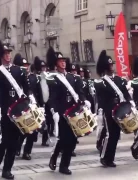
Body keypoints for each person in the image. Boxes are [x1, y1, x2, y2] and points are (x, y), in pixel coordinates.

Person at [0, 37, 30, 179]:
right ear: (1, 55)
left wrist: (32, 101)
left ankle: (7, 169)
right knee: (4, 141)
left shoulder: (19, 71)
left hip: (19, 112)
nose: (8, 55)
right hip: (6, 111)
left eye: (9, 53)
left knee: (14, 142)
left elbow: (27, 89)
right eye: (5, 53)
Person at [47, 47, 88, 175]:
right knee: (66, 139)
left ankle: (59, 160)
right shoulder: (53, 78)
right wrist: (54, 111)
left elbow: (80, 92)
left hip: (74, 112)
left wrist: (84, 100)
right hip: (62, 113)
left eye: (64, 60)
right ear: (56, 64)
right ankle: (62, 164)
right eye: (60, 61)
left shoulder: (73, 78)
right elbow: (52, 97)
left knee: (71, 139)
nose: (63, 63)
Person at [94, 50, 132, 167]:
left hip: (119, 111)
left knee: (116, 135)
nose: (112, 67)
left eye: (112, 65)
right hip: (108, 111)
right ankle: (104, 157)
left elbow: (125, 94)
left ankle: (111, 158)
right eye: (109, 65)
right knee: (109, 134)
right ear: (105, 67)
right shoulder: (100, 82)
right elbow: (101, 99)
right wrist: (101, 111)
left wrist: (130, 103)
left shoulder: (119, 80)